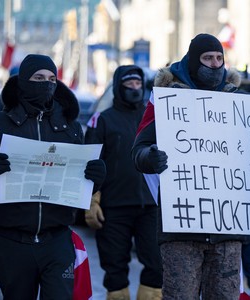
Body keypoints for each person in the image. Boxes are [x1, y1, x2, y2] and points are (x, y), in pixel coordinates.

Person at [131, 33, 250, 300]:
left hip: (228, 235)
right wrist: (149, 157)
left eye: (219, 58)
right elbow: (138, 150)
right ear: (191, 62)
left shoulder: (241, 104)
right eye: (207, 58)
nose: (214, 64)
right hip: (182, 231)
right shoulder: (170, 101)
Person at [0, 54, 106, 300]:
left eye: (52, 78)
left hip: (58, 240)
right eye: (38, 78)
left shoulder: (70, 127)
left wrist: (95, 179)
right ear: (23, 82)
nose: (47, 84)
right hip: (13, 242)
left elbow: (78, 184)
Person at [84, 65, 162, 300]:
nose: (135, 88)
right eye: (129, 84)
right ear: (119, 86)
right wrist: (91, 199)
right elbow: (90, 161)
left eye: (138, 84)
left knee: (157, 265)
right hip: (113, 208)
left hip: (150, 206)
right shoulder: (102, 120)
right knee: (115, 268)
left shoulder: (153, 118)